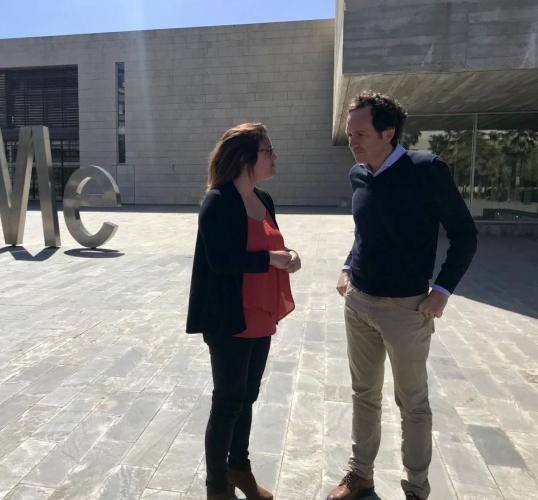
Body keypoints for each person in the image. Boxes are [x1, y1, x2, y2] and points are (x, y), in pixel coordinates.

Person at [327, 92, 477, 500]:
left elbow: (465, 235)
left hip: (405, 310)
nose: (352, 142)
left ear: (388, 133)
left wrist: (442, 291)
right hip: (359, 303)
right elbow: (365, 231)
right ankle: (360, 475)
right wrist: (347, 266)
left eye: (360, 134)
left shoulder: (426, 169)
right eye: (349, 133)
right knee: (363, 394)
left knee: (412, 403)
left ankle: (416, 488)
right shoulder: (358, 174)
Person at [186, 123, 301, 500]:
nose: (275, 156)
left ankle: (239, 467)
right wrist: (271, 259)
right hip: (230, 317)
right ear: (244, 159)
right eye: (268, 150)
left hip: (261, 314)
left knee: (247, 396)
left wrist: (289, 255)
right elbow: (221, 260)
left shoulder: (264, 199)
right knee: (227, 401)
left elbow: (271, 244)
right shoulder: (218, 201)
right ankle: (216, 486)